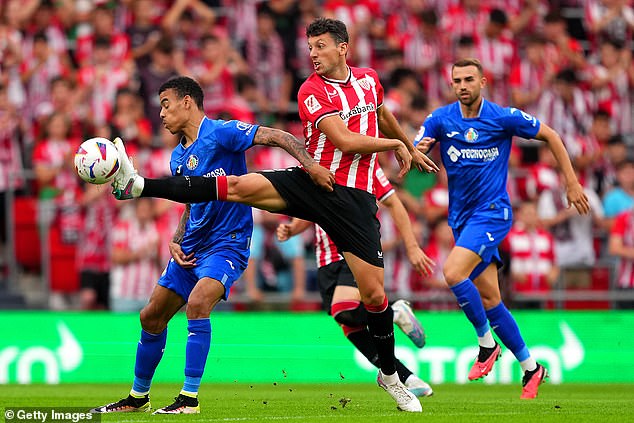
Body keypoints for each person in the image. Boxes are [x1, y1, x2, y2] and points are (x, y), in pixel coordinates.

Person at [107, 18, 438, 412]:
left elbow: (380, 114)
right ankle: (140, 184)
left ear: (343, 47)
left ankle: (389, 374)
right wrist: (396, 147)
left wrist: (404, 142)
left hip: (355, 199)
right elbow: (345, 140)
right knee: (236, 185)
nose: (313, 54)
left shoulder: (369, 80)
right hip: (314, 182)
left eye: (320, 46)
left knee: (374, 296)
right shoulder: (311, 91)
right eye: (310, 47)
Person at [90, 75, 333, 415]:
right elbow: (191, 204)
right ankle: (138, 397)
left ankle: (189, 398)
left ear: (187, 101)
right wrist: (176, 240)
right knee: (150, 317)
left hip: (227, 243)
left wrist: (311, 166)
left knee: (199, 302)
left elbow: (277, 135)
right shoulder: (178, 157)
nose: (161, 114)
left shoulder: (221, 132)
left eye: (165, 104)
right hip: (192, 246)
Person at [413, 58, 589, 399]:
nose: (462, 85)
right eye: (457, 80)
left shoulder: (503, 117)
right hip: (462, 219)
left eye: (468, 79)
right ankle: (531, 367)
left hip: (492, 213)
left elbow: (550, 135)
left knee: (452, 273)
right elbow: (418, 146)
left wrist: (571, 182)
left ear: (483, 82)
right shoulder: (440, 119)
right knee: (492, 298)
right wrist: (413, 153)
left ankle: (485, 345)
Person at [276, 165, 435, 398]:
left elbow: (394, 203)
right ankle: (407, 377)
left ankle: (393, 312)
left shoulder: (366, 166)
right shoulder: (314, 165)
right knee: (350, 324)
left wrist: (411, 247)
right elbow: (311, 208)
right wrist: (293, 228)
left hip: (354, 250)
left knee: (343, 308)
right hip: (325, 260)